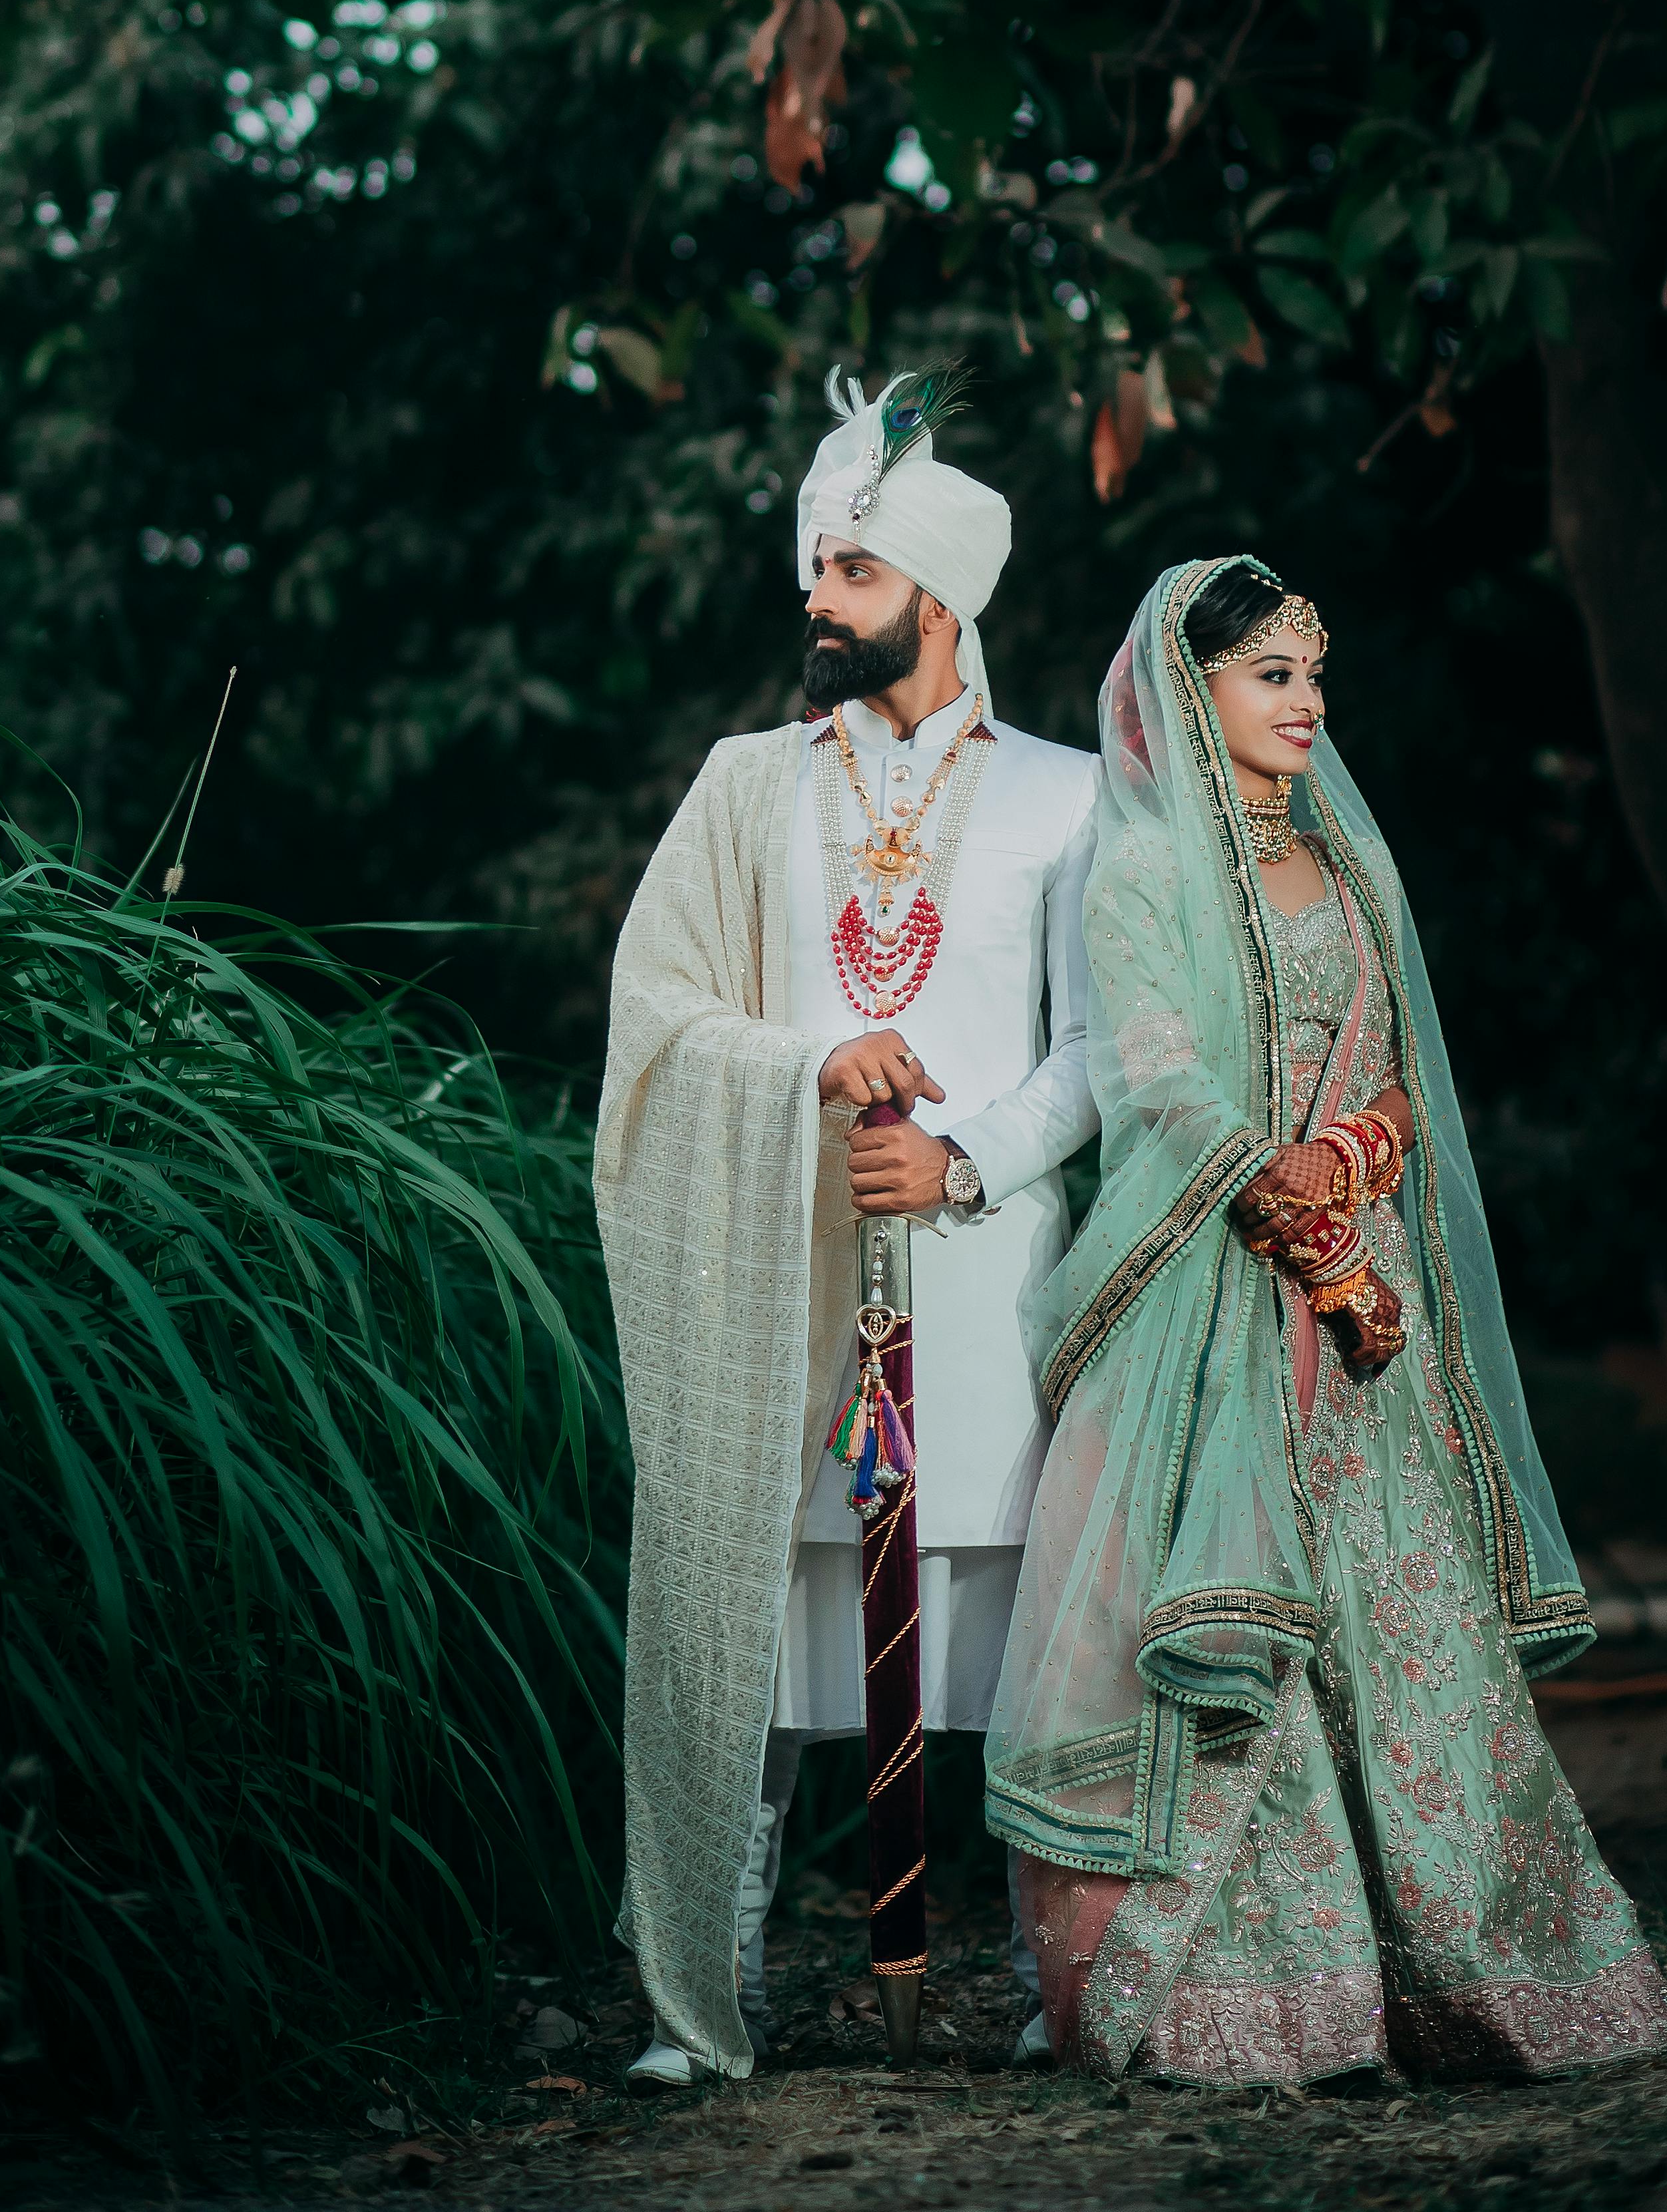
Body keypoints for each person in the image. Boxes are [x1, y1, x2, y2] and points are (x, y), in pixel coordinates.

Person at [985, 556, 1667, 2086]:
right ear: (1193, 688)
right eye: (1272, 677)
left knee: (1410, 1633)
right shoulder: (1144, 865)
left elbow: (1402, 1083)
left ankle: (1475, 1978)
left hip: (1360, 1320)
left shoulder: (1354, 871)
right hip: (1214, 1301)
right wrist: (1283, 1203)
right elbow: (1156, 1078)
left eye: (1312, 676)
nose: (1305, 705)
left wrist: (1345, 1174)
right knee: (1234, 1640)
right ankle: (1255, 2009)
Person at [594, 370, 1103, 2083]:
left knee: (1029, 1656)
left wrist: (959, 1158)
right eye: (816, 568)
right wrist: (814, 1063)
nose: (817, 601)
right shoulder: (746, 785)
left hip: (988, 1296)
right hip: (784, 1280)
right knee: (754, 1633)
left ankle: (1065, 1987)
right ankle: (707, 1989)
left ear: (939, 601)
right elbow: (657, 1006)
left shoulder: (1071, 794)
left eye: (852, 575)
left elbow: (1107, 1052)